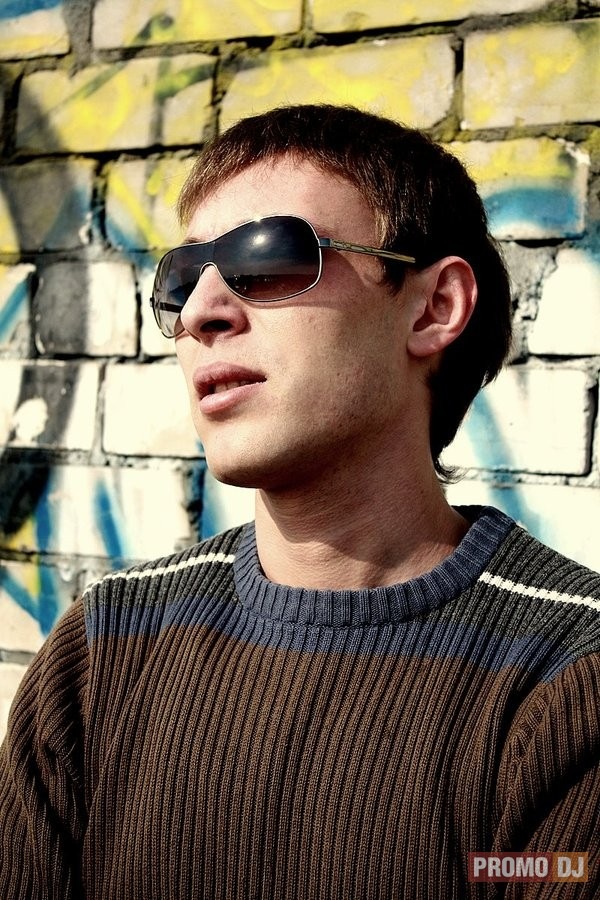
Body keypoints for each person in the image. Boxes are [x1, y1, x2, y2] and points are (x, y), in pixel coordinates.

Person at [1, 104, 599, 899]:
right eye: (181, 279)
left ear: (433, 308)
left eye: (268, 255)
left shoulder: (567, 680)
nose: (201, 312)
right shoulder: (107, 647)